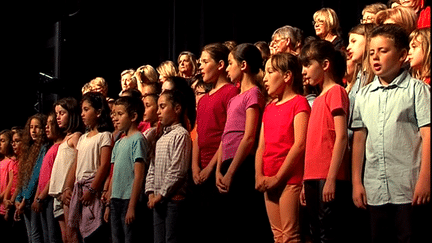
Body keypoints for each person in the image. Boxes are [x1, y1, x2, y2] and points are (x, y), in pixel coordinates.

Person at [351, 24, 431, 243]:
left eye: (383, 51)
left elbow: (428, 136)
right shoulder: (363, 95)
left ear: (402, 55)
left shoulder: (417, 90)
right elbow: (359, 139)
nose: (375, 57)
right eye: (371, 52)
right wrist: (357, 182)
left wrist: (425, 180)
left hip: (408, 187)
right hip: (375, 188)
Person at [299, 39, 350, 243]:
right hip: (313, 177)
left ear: (325, 64)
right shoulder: (318, 98)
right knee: (315, 230)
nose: (303, 71)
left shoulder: (336, 91)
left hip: (329, 176)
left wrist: (331, 178)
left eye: (308, 64)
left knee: (327, 232)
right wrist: (305, 181)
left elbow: (341, 136)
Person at [255, 53, 310, 243]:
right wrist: (259, 176)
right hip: (268, 178)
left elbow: (300, 143)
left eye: (270, 72)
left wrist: (279, 178)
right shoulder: (269, 107)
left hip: (289, 179)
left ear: (287, 76)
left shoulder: (299, 103)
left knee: (290, 235)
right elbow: (261, 145)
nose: (265, 77)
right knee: (277, 235)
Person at [215, 43, 267, 243]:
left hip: (242, 165)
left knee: (242, 224)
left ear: (243, 65)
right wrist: (219, 170)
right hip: (227, 164)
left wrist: (230, 173)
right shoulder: (234, 98)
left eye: (229, 63)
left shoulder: (253, 94)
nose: (227, 68)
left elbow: (248, 137)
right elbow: (225, 137)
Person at [189, 42, 238, 243]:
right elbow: (199, 134)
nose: (200, 66)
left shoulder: (230, 92)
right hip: (199, 170)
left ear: (220, 65)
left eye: (205, 61)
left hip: (218, 168)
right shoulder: (203, 99)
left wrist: (210, 168)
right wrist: (194, 166)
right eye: (200, 62)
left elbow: (228, 134)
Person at [145, 88, 195, 243]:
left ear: (177, 109)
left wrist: (161, 195)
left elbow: (178, 171)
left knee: (171, 238)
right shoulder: (160, 137)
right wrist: (151, 193)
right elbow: (152, 167)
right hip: (158, 200)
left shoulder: (181, 135)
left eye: (162, 106)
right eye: (158, 107)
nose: (158, 112)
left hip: (173, 199)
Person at [63, 92, 114, 241]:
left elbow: (104, 165)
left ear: (98, 112)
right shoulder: (83, 138)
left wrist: (92, 189)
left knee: (94, 232)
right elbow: (76, 165)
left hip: (92, 190)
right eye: (82, 110)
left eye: (86, 110)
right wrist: (67, 187)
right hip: (79, 189)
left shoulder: (104, 136)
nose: (82, 114)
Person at [108, 96, 148, 243]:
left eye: (120, 114)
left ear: (133, 116)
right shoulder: (118, 143)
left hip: (128, 200)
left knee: (129, 237)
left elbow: (138, 176)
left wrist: (132, 206)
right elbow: (114, 174)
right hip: (115, 199)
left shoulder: (138, 139)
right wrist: (108, 202)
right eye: (114, 114)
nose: (115, 118)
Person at [48, 97, 83, 243]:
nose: (58, 117)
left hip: (67, 191)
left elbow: (78, 160)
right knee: (65, 237)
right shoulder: (65, 138)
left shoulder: (76, 136)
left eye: (62, 113)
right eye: (56, 114)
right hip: (58, 193)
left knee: (72, 234)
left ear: (72, 114)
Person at [13, 114, 49, 243]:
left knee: (35, 235)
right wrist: (18, 198)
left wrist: (25, 199)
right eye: (31, 127)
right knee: (30, 236)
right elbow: (23, 178)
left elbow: (36, 176)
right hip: (25, 199)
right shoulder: (29, 149)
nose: (33, 131)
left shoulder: (44, 148)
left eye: (37, 127)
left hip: (33, 198)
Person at [31, 111, 64, 243]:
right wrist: (37, 198)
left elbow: (54, 177)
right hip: (43, 198)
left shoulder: (59, 147)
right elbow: (41, 177)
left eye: (51, 124)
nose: (46, 127)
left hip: (49, 197)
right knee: (46, 236)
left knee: (52, 236)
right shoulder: (51, 147)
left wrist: (40, 197)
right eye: (46, 124)